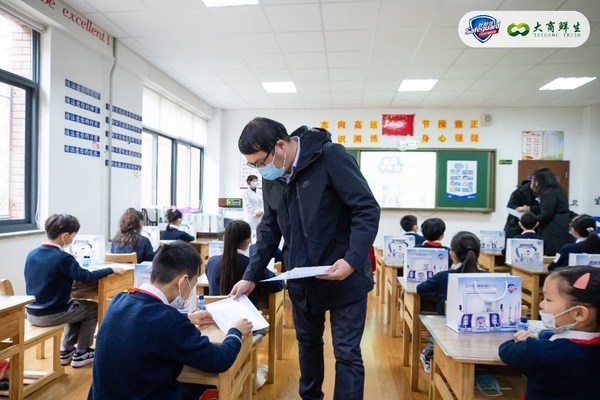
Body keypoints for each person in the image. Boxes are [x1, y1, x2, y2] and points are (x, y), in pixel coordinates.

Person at [231, 117, 380, 400]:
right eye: (253, 166)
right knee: (308, 344)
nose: (260, 170)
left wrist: (351, 260)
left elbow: (367, 209)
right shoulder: (271, 178)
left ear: (280, 145)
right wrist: (251, 276)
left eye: (261, 162)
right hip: (303, 279)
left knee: (347, 353)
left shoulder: (330, 156)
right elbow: (269, 230)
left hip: (344, 275)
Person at [88, 241, 253, 400]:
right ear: (183, 281)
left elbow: (144, 324)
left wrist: (187, 318)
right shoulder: (171, 321)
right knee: (201, 384)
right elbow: (219, 360)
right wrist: (235, 332)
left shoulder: (118, 300)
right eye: (193, 284)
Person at [24, 214, 125, 368]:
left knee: (76, 307)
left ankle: (67, 351)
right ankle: (82, 352)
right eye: (73, 236)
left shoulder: (32, 254)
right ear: (65, 236)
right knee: (92, 308)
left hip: (32, 313)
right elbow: (86, 276)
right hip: (51, 315)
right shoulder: (63, 257)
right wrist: (111, 269)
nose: (73, 239)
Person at [499, 266, 600, 400]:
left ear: (579, 313)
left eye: (548, 299)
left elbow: (506, 350)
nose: (541, 304)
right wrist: (542, 336)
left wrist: (524, 341)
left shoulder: (543, 352)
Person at [416, 231, 482, 373]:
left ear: (452, 254)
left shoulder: (443, 277)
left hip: (447, 332)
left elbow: (420, 289)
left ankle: (429, 354)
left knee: (435, 321)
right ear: (478, 254)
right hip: (481, 334)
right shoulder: (489, 277)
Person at [205, 219, 284, 308]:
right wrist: (273, 273)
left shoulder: (211, 262)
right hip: (246, 314)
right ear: (248, 242)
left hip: (217, 315)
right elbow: (278, 285)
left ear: (224, 239)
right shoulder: (253, 266)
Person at [516, 168, 573, 256]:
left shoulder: (548, 193)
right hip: (562, 226)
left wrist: (530, 221)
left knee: (551, 256)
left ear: (539, 181)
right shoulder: (557, 190)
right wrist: (529, 209)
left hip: (553, 229)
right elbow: (547, 208)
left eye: (534, 180)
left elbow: (546, 214)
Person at [242, 174, 264, 242]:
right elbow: (247, 204)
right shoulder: (246, 192)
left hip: (260, 215)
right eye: (254, 181)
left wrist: (261, 211)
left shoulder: (260, 191)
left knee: (260, 231)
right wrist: (255, 212)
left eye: (256, 180)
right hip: (251, 216)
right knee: (251, 233)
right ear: (249, 182)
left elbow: (263, 202)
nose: (256, 182)